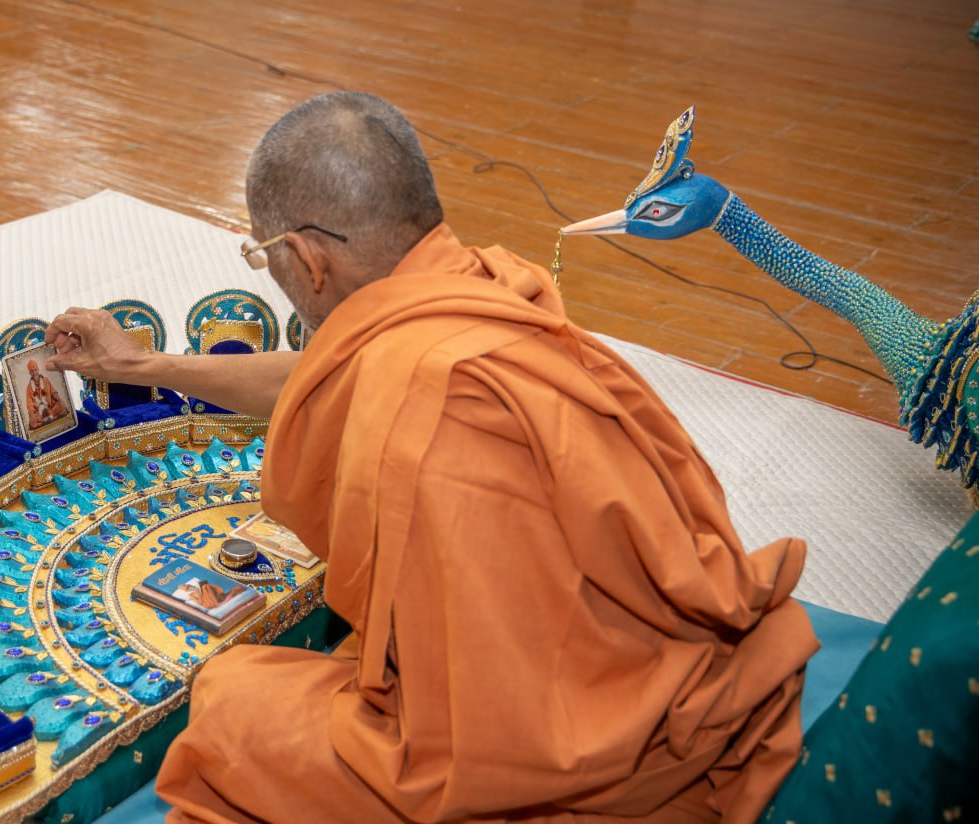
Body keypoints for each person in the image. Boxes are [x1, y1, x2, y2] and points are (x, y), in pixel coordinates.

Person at [46, 93, 818, 823]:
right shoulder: (477, 285)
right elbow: (323, 375)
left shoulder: (425, 406)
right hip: (672, 667)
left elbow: (474, 733)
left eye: (263, 256)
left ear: (308, 261)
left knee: (229, 708)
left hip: (584, 747)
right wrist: (143, 366)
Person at [24, 358, 67, 430]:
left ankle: (48, 418)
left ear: (38, 370)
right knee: (33, 420)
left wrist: (60, 400)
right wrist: (31, 414)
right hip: (39, 413)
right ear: (30, 373)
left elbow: (53, 392)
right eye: (32, 371)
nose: (34, 372)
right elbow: (29, 402)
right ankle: (47, 418)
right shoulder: (29, 387)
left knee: (60, 405)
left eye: (35, 370)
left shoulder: (46, 380)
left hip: (51, 408)